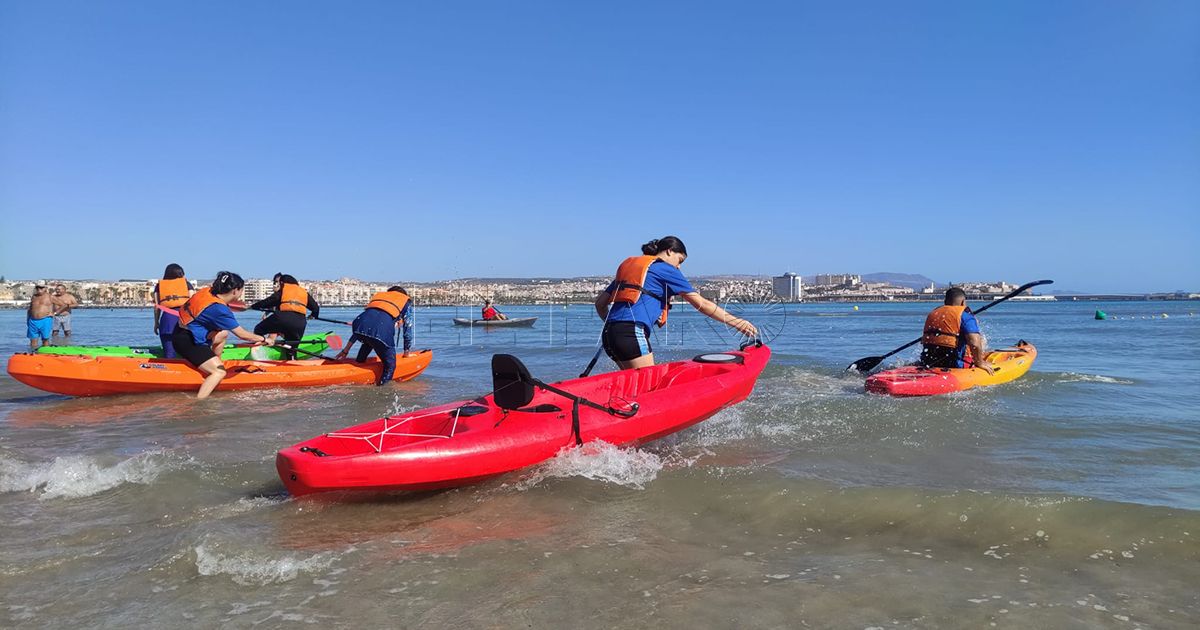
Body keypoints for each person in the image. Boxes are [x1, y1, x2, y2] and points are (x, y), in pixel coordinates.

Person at [593, 236, 758, 369]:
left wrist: (618, 327)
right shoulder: (666, 269)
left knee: (636, 387)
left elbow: (600, 304)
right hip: (631, 334)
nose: (679, 267)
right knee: (650, 388)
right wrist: (737, 322)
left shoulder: (633, 270)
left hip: (609, 334)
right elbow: (702, 304)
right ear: (670, 251)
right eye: (680, 260)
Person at [171, 271, 274, 399]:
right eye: (242, 290)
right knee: (219, 372)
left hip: (180, 333)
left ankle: (213, 363)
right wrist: (265, 339)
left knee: (223, 334)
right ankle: (199, 403)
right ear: (235, 291)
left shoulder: (207, 292)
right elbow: (242, 334)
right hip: (187, 342)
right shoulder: (219, 309)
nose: (241, 293)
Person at [334, 286, 414, 385]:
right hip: (381, 331)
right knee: (390, 365)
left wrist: (345, 350)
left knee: (368, 341)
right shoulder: (405, 301)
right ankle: (382, 390)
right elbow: (408, 329)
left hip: (359, 323)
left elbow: (360, 331)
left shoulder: (380, 296)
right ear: (403, 294)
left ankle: (359, 364)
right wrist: (406, 352)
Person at [919, 287, 994, 374]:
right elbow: (974, 343)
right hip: (952, 365)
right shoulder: (965, 316)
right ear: (963, 302)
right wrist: (980, 363)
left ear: (945, 301)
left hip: (927, 362)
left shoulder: (933, 313)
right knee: (979, 342)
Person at [250, 274, 320, 358]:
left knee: (258, 329)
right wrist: (313, 315)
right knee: (292, 346)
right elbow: (315, 308)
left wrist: (253, 306)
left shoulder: (283, 290)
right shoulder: (304, 292)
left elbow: (269, 301)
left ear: (282, 282)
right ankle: (291, 358)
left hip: (282, 318)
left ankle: (259, 350)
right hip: (300, 322)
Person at [154, 263, 194, 359]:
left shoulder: (159, 286)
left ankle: (169, 370)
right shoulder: (187, 285)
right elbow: (193, 304)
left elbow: (157, 307)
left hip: (168, 319)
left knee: (169, 353)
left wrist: (156, 323)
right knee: (188, 352)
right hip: (185, 319)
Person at [26, 284, 53, 350]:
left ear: (45, 288)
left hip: (45, 319)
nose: (39, 289)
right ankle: (33, 355)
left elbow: (62, 304)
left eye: (41, 288)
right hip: (32, 320)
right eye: (37, 288)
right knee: (33, 340)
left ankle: (46, 354)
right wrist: (27, 320)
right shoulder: (34, 297)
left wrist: (55, 313)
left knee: (45, 339)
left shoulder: (50, 297)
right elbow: (30, 309)